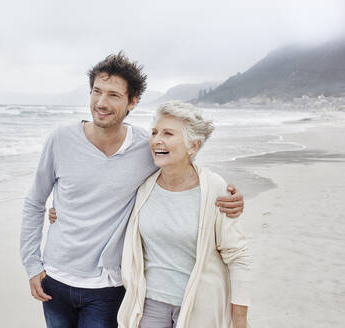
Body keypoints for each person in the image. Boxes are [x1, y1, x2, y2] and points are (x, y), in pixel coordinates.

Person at [20, 52, 244, 328]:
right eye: (96, 92)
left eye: (113, 95)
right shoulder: (60, 140)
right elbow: (34, 202)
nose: (101, 103)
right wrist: (32, 264)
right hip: (54, 278)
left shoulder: (144, 147)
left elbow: (182, 163)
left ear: (133, 101)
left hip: (109, 285)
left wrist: (227, 196)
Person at [117, 101, 250, 328]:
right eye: (154, 132)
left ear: (193, 146)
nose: (157, 139)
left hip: (200, 306)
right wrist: (59, 211)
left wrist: (239, 320)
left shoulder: (215, 188)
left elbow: (237, 256)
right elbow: (107, 205)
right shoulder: (143, 186)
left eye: (168, 133)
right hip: (148, 306)